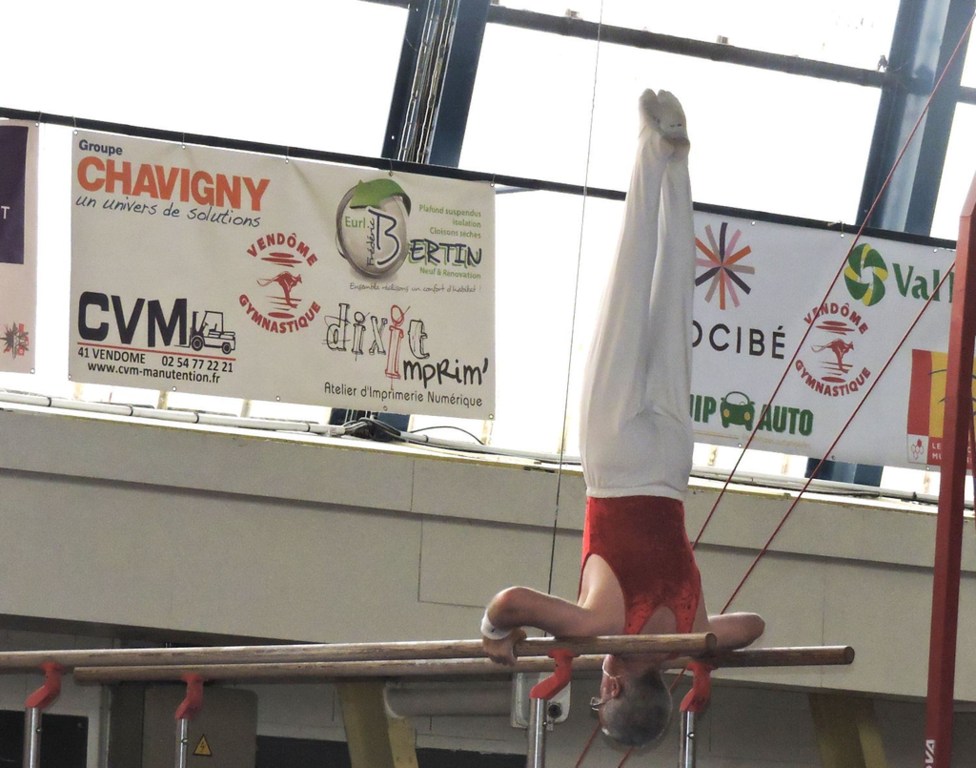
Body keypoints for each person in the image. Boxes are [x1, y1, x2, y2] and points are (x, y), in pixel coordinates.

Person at [480, 89, 765, 747]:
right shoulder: (599, 628)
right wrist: (494, 633)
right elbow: (511, 601)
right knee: (628, 290)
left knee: (670, 304)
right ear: (610, 689)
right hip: (616, 466)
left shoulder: (689, 631)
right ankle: (647, 148)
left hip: (671, 466)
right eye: (598, 698)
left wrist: (701, 653)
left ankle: (675, 162)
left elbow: (753, 626)